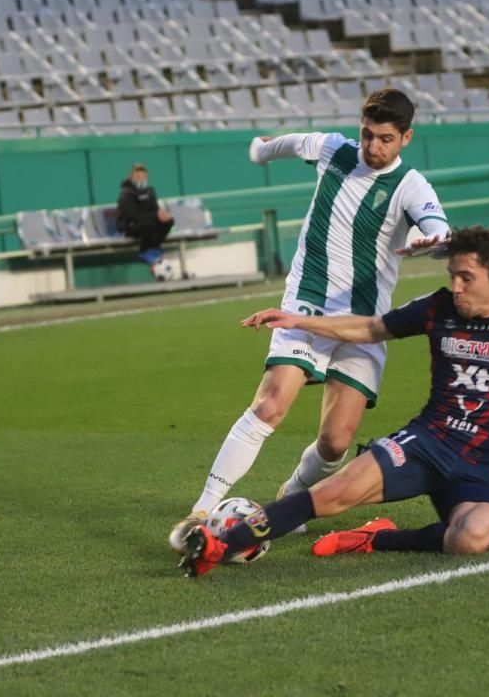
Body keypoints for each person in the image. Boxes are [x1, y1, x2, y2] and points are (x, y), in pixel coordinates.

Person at [178, 226, 489, 577]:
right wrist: (299, 320)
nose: (455, 286)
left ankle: (375, 537)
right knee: (333, 492)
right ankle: (220, 543)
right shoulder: (438, 308)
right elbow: (369, 328)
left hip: (480, 470)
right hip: (426, 443)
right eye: (453, 275)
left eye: (466, 278)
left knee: (472, 538)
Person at [167, 89, 452, 552]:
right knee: (272, 404)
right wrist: (259, 150)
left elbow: (438, 226)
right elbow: (280, 145)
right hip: (306, 304)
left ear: (405, 138)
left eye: (385, 139)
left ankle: (292, 495)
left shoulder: (411, 185)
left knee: (337, 442)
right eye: (368, 135)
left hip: (364, 323)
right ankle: (203, 509)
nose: (373, 147)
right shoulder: (333, 150)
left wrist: (433, 241)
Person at [116, 163, 173, 264]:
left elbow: (155, 209)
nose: (141, 179)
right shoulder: (126, 193)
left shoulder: (150, 191)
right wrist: (155, 216)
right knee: (150, 225)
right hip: (129, 225)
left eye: (144, 177)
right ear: (132, 177)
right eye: (138, 177)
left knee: (168, 222)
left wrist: (162, 215)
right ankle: (144, 251)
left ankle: (154, 248)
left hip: (147, 222)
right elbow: (132, 216)